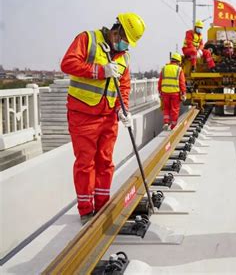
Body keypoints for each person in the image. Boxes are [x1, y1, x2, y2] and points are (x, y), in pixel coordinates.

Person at [61, 13, 146, 224]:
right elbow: (67, 64)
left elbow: (123, 86)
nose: (126, 46)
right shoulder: (88, 39)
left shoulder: (124, 56)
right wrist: (99, 71)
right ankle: (86, 209)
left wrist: (122, 109)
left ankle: (102, 205)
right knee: (85, 163)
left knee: (105, 162)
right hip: (83, 115)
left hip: (108, 116)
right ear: (117, 31)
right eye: (126, 40)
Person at [158, 53, 186, 130]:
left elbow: (160, 81)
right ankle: (173, 126)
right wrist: (183, 93)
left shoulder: (164, 68)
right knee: (175, 109)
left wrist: (160, 91)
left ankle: (166, 122)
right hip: (175, 93)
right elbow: (182, 83)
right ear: (179, 61)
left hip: (165, 92)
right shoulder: (179, 69)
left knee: (166, 108)